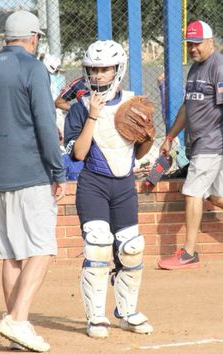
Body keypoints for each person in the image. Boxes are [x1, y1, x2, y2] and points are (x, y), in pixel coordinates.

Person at [0, 10, 66, 352]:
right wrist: (58, 169)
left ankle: (16, 326)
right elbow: (46, 125)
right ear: (33, 38)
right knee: (42, 247)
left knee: (11, 254)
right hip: (29, 173)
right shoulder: (32, 68)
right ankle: (18, 320)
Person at [64, 39, 154, 338]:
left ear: (119, 69)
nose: (99, 75)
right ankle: (97, 317)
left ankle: (127, 312)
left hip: (125, 186)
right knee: (99, 245)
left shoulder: (132, 102)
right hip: (93, 185)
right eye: (93, 70)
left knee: (131, 248)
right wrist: (92, 113)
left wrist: (149, 136)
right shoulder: (78, 107)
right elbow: (78, 153)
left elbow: (138, 154)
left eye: (105, 69)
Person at [158, 20, 223, 270]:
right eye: (189, 44)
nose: (193, 48)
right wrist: (170, 137)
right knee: (216, 197)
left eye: (197, 43)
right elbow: (187, 107)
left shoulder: (218, 65)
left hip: (212, 142)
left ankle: (189, 253)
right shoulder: (195, 70)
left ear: (210, 42)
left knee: (192, 191)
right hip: (201, 144)